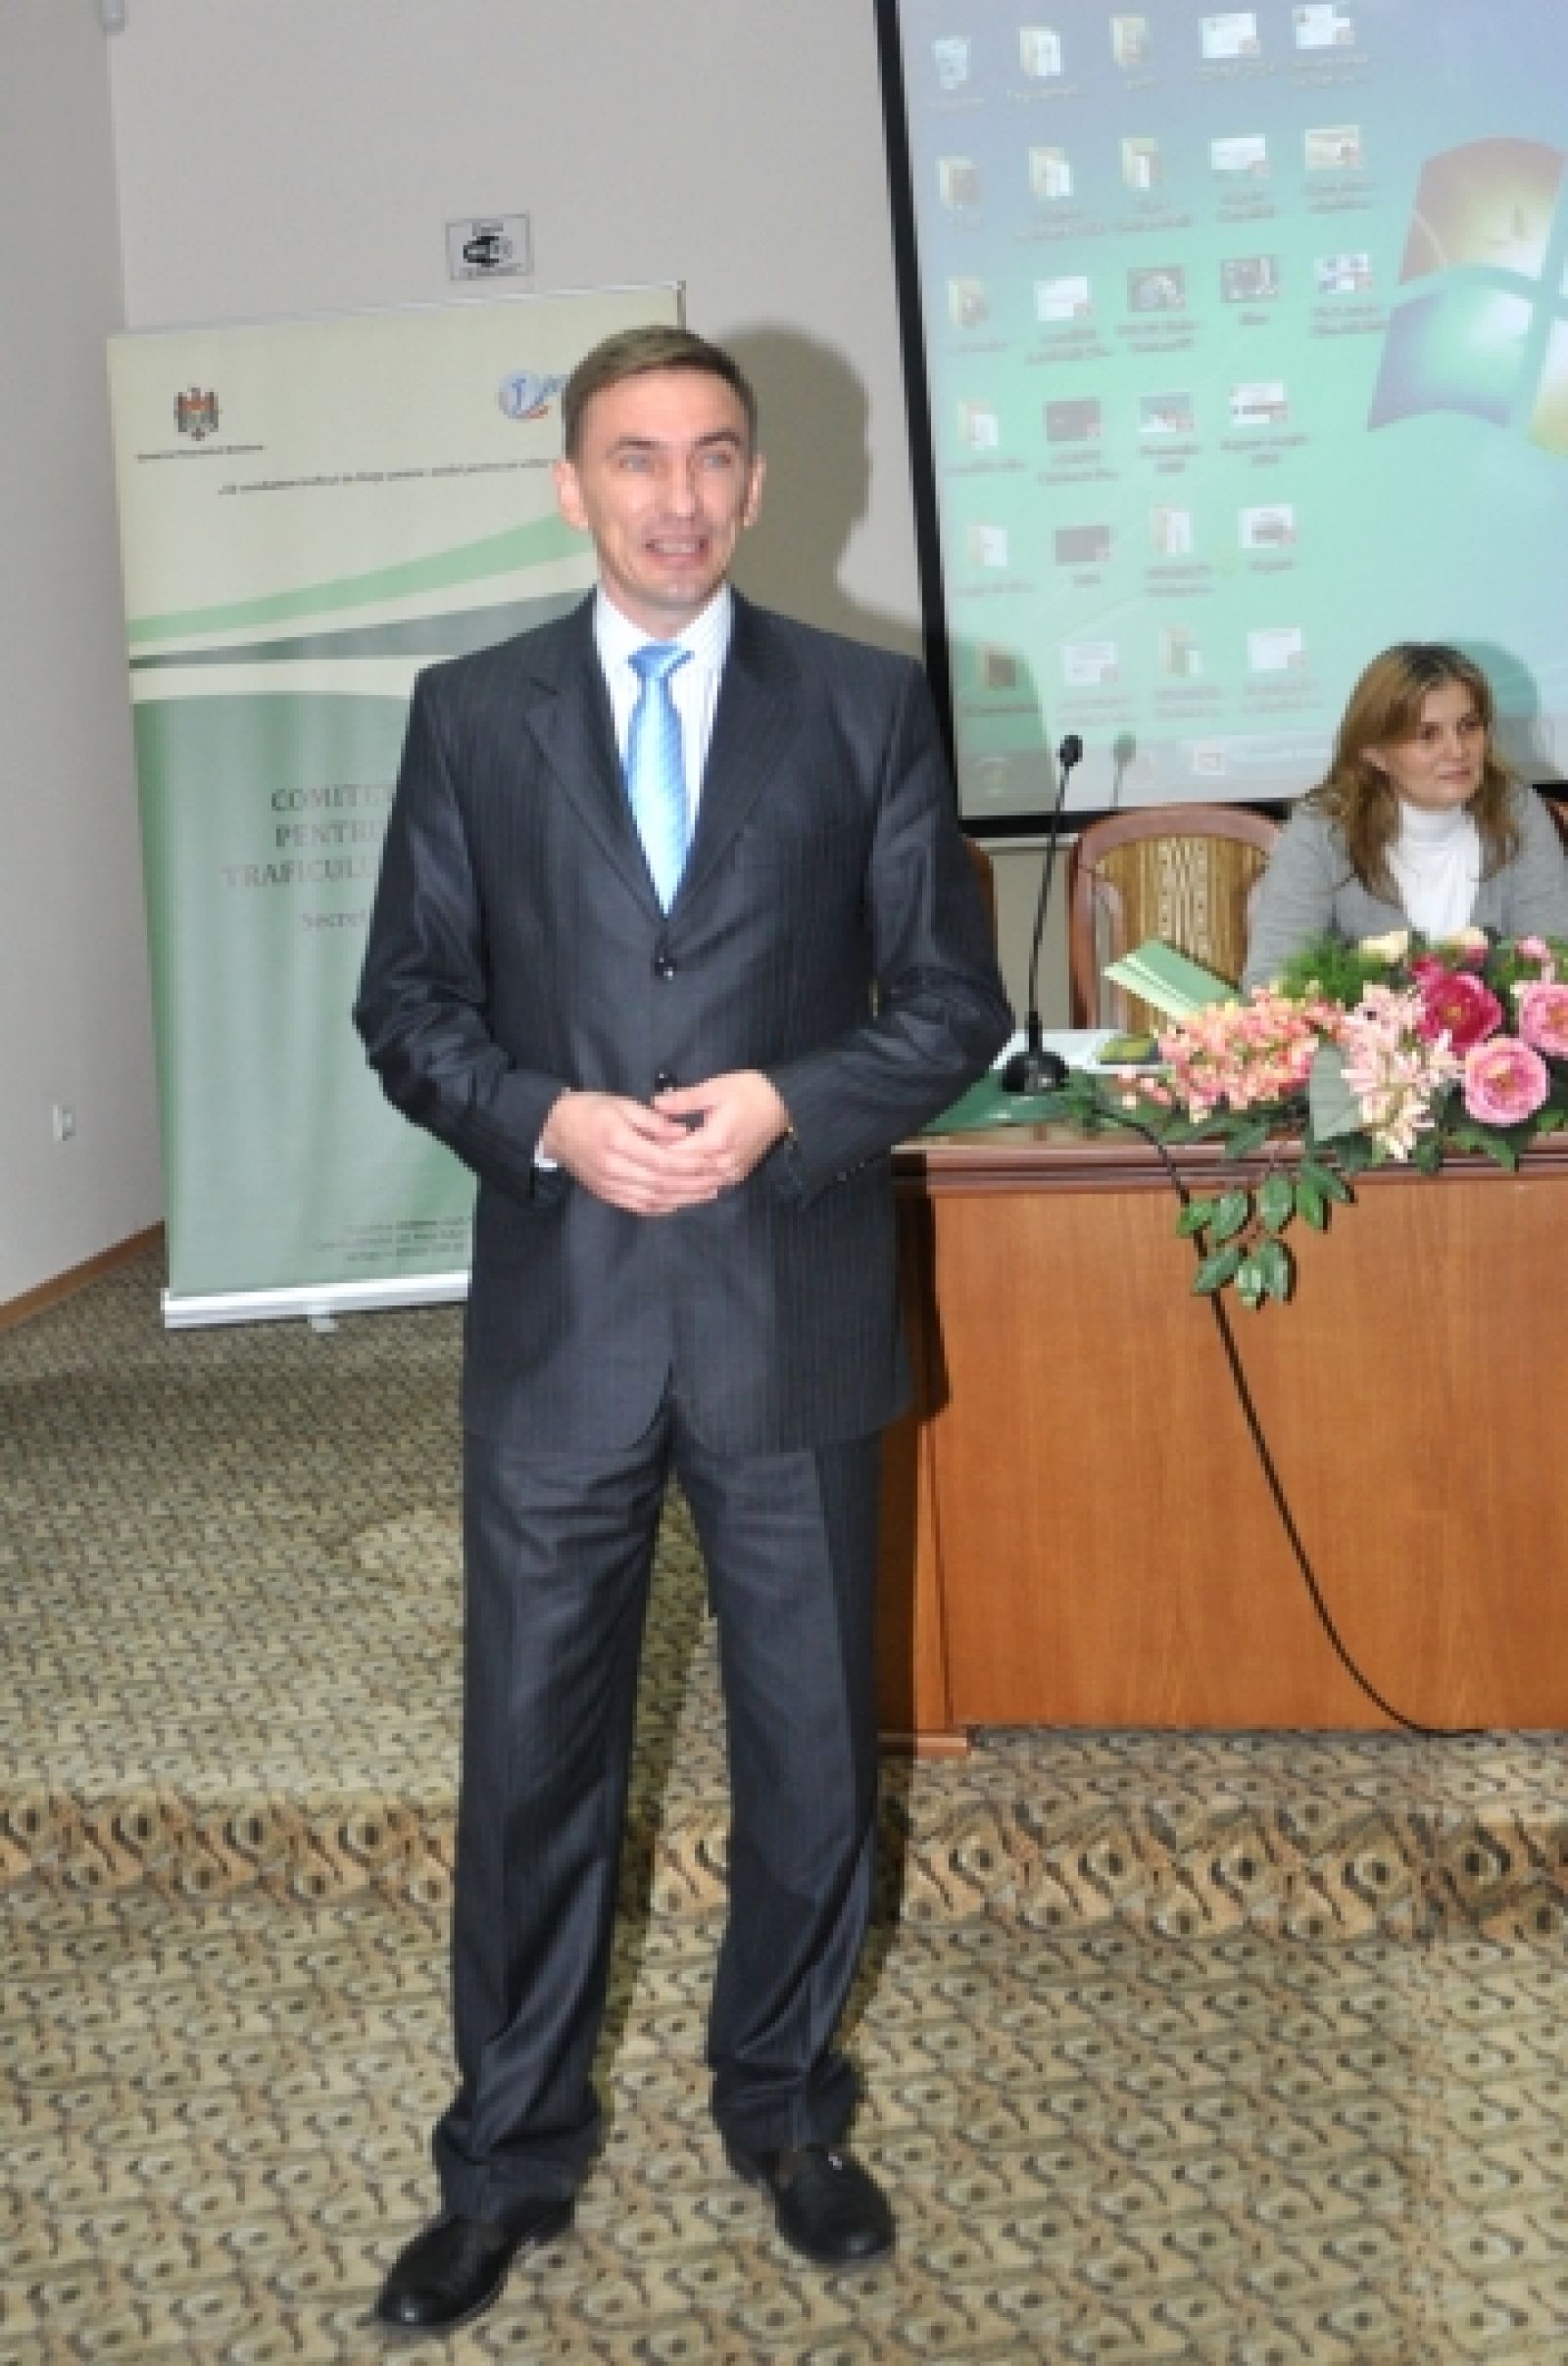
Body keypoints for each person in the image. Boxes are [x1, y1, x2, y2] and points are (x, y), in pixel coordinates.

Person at [354, 324, 1011, 2336]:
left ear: (757, 481)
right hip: (564, 1313)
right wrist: (544, 1116)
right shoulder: (470, 713)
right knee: (528, 1759)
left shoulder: (863, 705)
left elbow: (947, 1000)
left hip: (784, 1304)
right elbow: (409, 1004)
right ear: (571, 485)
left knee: (809, 1746)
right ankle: (506, 2153)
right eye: (635, 456)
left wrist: (787, 1101)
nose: (677, 494)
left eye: (714, 454)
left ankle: (788, 2109)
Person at [1243, 641, 1568, 989]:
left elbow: (1554, 968)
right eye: (1427, 734)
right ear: (1375, 753)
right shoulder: (1324, 828)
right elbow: (1272, 980)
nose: (1458, 750)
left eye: (1468, 726)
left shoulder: (1516, 811)